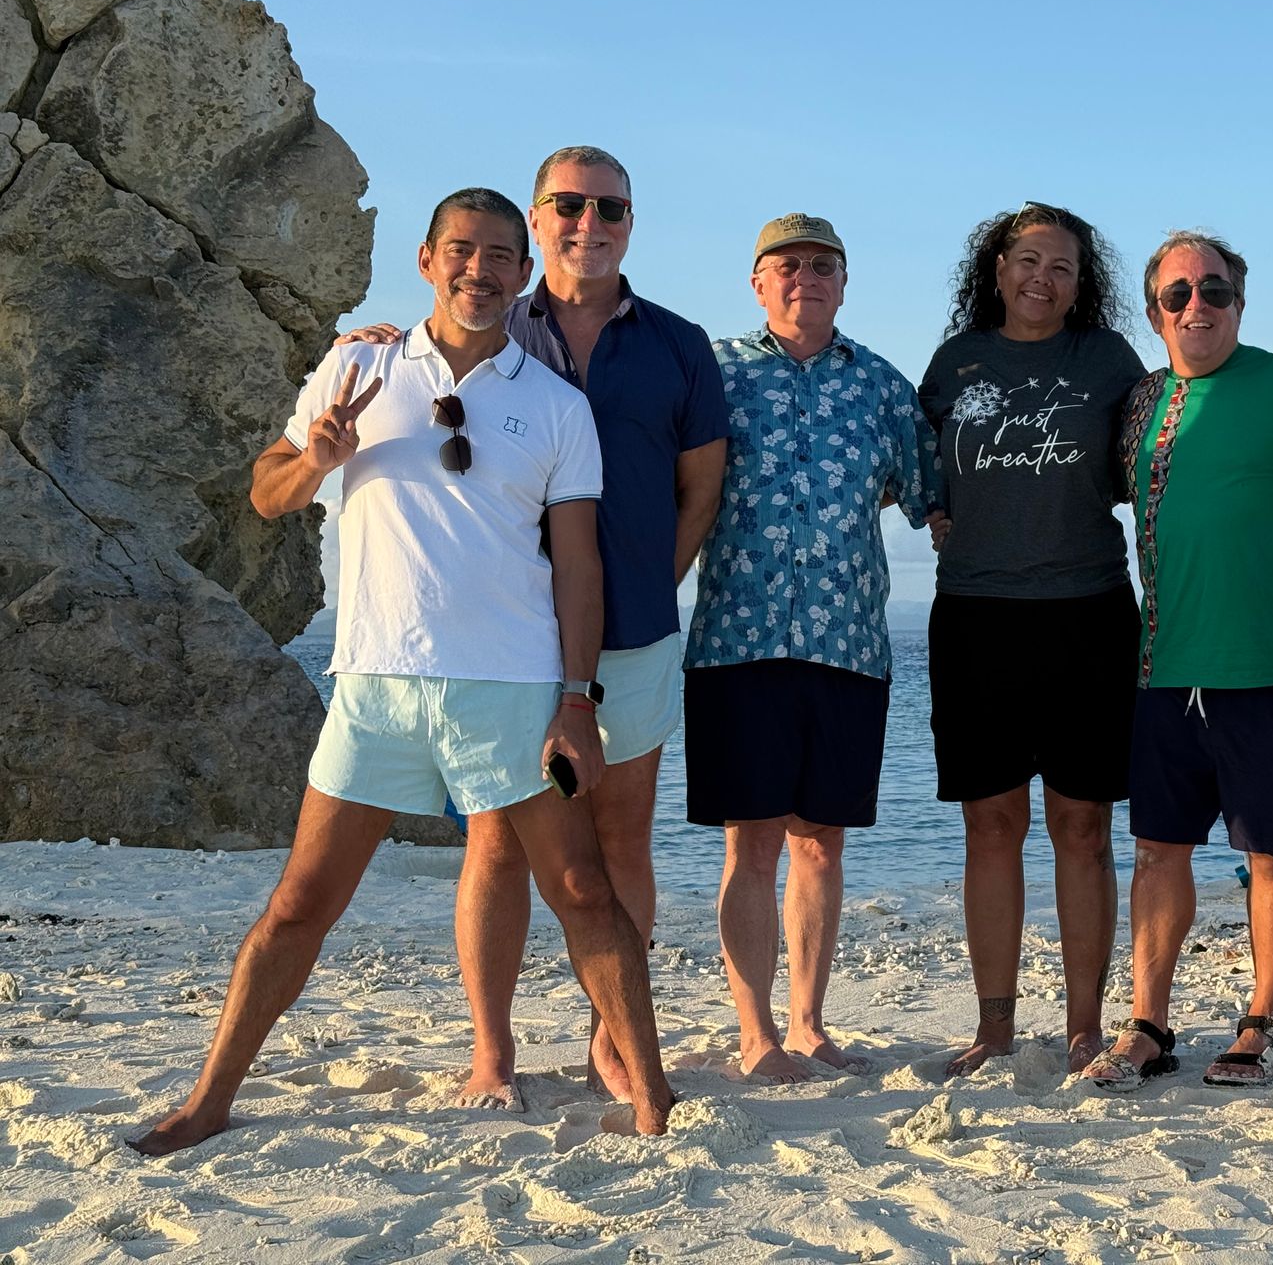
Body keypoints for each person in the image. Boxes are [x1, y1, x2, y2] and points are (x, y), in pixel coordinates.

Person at [129, 189, 673, 1154]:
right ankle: (208, 1100)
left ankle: (655, 1102)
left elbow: (579, 566)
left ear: (522, 271)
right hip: (374, 687)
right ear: (427, 260)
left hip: (512, 690)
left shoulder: (557, 406)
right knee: (300, 903)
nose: (480, 270)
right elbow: (266, 494)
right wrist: (316, 460)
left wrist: (576, 700)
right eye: (461, 250)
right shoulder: (358, 366)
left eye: (500, 255)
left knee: (584, 892)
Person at [338, 148, 728, 1109]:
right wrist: (372, 343)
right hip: (504, 639)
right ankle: (491, 1051)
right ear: (538, 218)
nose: (588, 223)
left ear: (630, 222)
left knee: (620, 842)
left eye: (610, 208)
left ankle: (611, 1040)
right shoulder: (488, 322)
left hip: (631, 634)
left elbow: (701, 491)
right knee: (496, 845)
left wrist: (649, 587)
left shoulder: (679, 344)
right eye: (568, 204)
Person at [1080, 231, 1273, 1091]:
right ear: (1155, 311)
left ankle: (1263, 1024)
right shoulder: (1141, 403)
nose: (1197, 305)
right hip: (1164, 664)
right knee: (1157, 851)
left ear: (1240, 300)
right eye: (1178, 294)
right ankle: (1148, 1027)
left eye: (1215, 290)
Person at [685, 213, 939, 1082]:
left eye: (823, 265)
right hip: (737, 640)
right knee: (751, 841)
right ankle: (754, 1032)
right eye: (787, 265)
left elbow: (935, 497)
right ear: (758, 283)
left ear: (844, 282)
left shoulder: (882, 387)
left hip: (848, 642)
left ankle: (808, 1025)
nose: (806, 278)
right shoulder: (713, 372)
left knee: (821, 841)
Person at [917, 202, 1145, 1076]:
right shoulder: (956, 362)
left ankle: (1085, 1025)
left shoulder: (1108, 361)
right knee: (991, 823)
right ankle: (996, 1027)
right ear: (997, 268)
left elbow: (1147, 464)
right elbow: (919, 465)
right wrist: (936, 509)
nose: (1041, 279)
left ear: (1082, 285)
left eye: (1061, 267)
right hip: (976, 615)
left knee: (1083, 825)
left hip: (1088, 611)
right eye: (1026, 261)